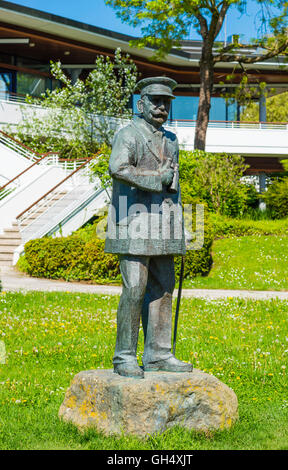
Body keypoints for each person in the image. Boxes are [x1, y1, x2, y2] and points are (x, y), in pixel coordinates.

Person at [104, 76, 192, 378]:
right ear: (140, 104)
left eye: (166, 103)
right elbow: (118, 168)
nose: (161, 108)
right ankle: (124, 356)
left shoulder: (171, 140)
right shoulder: (128, 135)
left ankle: (158, 354)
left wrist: (179, 225)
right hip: (132, 222)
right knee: (135, 288)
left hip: (162, 225)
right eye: (155, 102)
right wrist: (158, 178)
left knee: (164, 287)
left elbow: (174, 187)